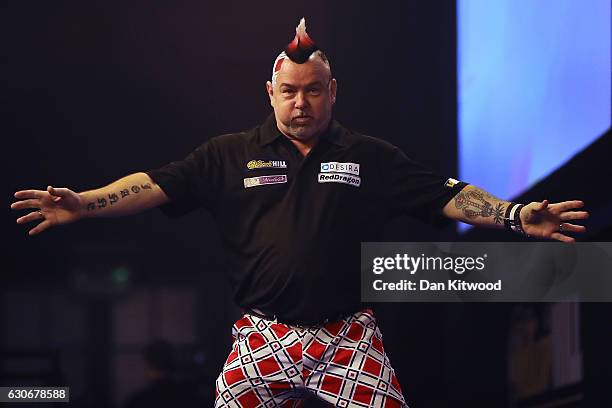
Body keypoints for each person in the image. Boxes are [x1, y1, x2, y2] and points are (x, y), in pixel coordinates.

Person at [11, 18, 588, 408]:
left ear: (332, 90)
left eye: (313, 90)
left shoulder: (369, 157)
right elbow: (156, 184)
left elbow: (445, 193)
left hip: (346, 336)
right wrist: (86, 203)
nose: (300, 103)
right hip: (265, 336)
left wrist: (515, 217)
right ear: (269, 91)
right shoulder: (228, 154)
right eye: (289, 91)